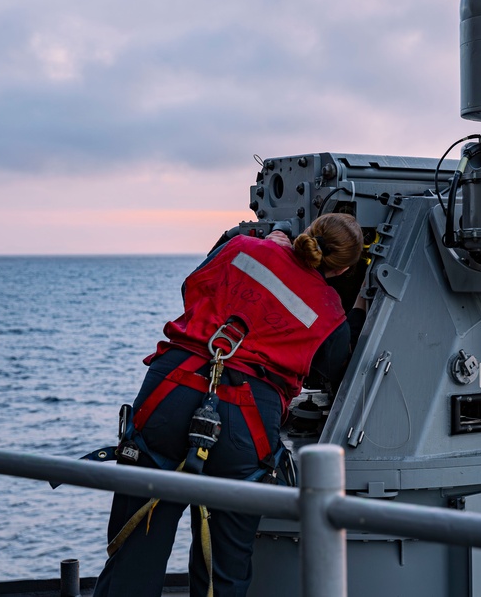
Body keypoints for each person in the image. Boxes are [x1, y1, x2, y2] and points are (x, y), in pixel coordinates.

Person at [94, 212, 364, 597]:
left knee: (136, 548)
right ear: (342, 270)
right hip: (246, 417)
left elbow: (193, 287)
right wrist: (359, 311)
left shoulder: (240, 248)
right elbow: (333, 365)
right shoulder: (330, 309)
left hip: (171, 389)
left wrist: (266, 247)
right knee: (224, 570)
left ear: (306, 233)